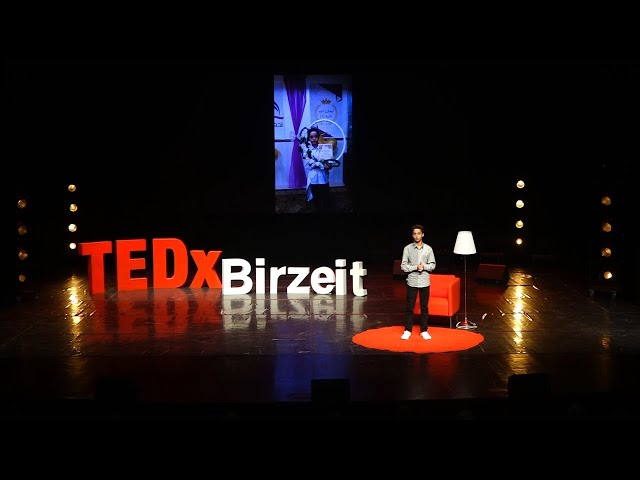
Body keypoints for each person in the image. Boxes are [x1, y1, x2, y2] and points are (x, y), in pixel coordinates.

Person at [400, 224, 436, 340]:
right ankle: (407, 330)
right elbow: (403, 266)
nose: (416, 236)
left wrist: (424, 266)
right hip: (412, 281)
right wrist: (415, 267)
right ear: (412, 235)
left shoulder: (428, 249)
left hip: (424, 281)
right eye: (414, 234)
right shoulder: (407, 249)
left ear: (422, 234)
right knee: (410, 307)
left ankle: (424, 330)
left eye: (419, 233)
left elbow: (433, 265)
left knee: (424, 307)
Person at [303, 127, 332, 212]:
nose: (314, 138)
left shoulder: (325, 148)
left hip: (323, 177)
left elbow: (329, 163)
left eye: (315, 136)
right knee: (316, 199)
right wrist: (319, 164)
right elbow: (307, 165)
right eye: (311, 137)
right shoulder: (306, 150)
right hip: (313, 179)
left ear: (318, 137)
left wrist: (329, 166)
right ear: (309, 138)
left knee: (326, 198)